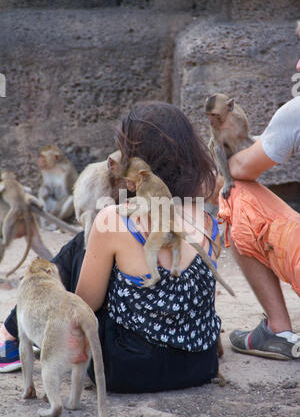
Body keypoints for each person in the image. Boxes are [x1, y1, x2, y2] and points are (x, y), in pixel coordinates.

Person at [0, 101, 223, 394]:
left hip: (129, 368)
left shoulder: (115, 219)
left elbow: (83, 305)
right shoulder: (206, 215)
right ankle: (11, 332)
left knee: (84, 242)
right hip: (200, 364)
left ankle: (9, 334)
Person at [216, 93, 300, 360]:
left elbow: (242, 168)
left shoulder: (295, 112)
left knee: (234, 191)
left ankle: (277, 329)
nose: (298, 66)